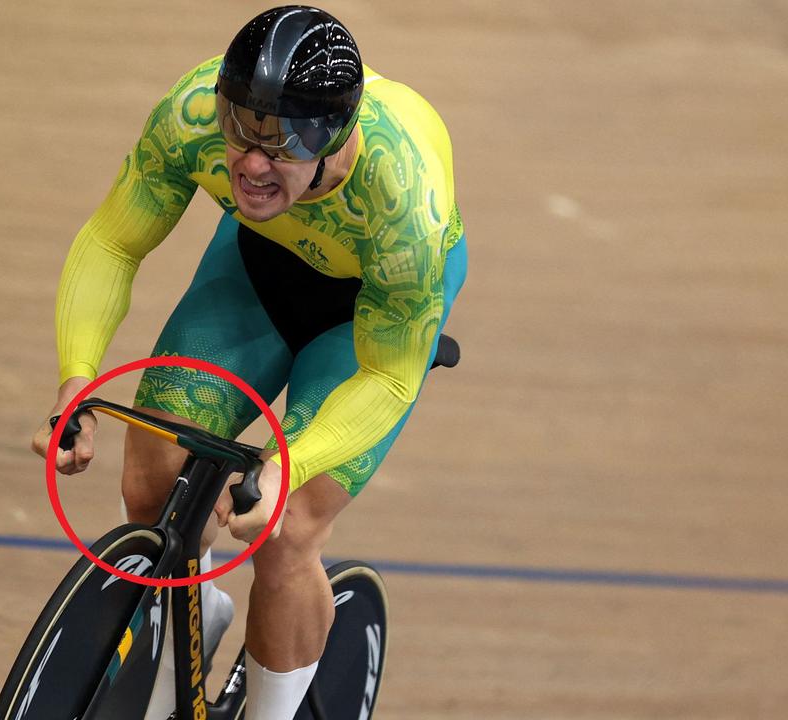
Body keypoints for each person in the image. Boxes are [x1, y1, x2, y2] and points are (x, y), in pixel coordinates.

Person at [30, 5, 467, 718]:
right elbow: (113, 241)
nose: (254, 163)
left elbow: (387, 375)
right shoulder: (192, 112)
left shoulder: (402, 197)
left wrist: (282, 461)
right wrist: (77, 374)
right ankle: (192, 629)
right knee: (150, 485)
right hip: (259, 270)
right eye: (243, 131)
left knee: (285, 528)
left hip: (365, 318)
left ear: (337, 138)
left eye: (286, 142)